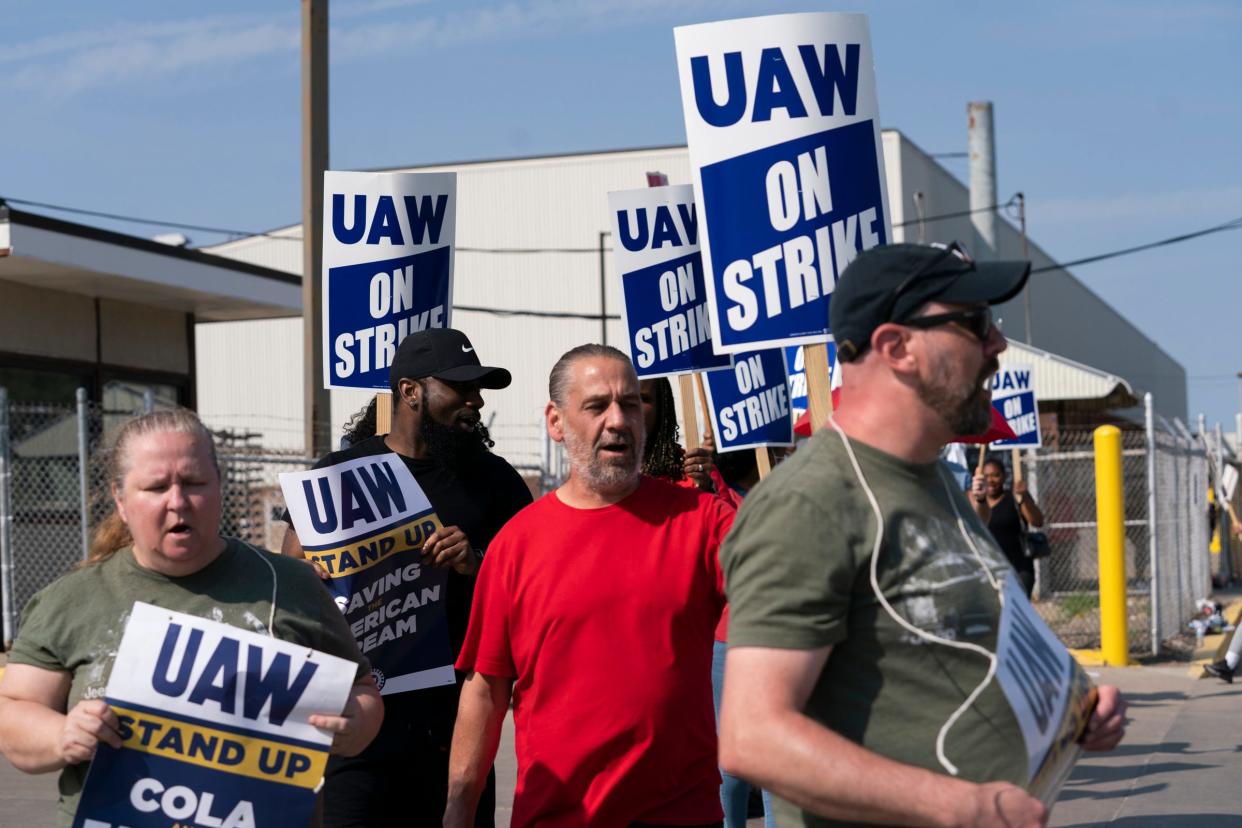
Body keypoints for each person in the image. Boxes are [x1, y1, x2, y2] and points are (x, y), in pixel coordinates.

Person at [717, 243, 1127, 828]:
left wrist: (1070, 711)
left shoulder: (932, 475)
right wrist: (960, 806)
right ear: (897, 348)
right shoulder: (810, 504)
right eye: (976, 323)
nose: (999, 346)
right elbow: (752, 737)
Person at [0, 409, 382, 828]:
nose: (178, 501)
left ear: (219, 486)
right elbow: (15, 710)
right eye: (156, 486)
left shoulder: (291, 585)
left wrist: (355, 724)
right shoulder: (71, 600)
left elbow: (364, 690)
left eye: (194, 482)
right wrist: (63, 735)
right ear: (121, 500)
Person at [444, 344, 732, 827]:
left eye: (632, 403)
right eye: (597, 406)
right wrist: (458, 810)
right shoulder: (515, 545)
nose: (618, 419)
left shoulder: (703, 521)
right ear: (556, 422)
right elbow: (485, 690)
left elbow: (787, 601)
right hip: (556, 815)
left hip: (681, 813)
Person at [281, 327, 533, 827]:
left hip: (457, 725)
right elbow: (292, 584)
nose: (475, 402)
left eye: (478, 390)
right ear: (410, 392)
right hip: (359, 723)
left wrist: (475, 560)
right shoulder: (340, 474)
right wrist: (308, 576)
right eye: (460, 388)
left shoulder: (496, 481)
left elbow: (531, 585)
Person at [640, 376, 719, 494]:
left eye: (642, 398)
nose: (631, 407)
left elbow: (727, 510)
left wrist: (705, 487)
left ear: (661, 407)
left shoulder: (694, 467)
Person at [982, 457, 1046, 598]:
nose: (991, 480)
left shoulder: (1015, 499)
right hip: (989, 570)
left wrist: (1024, 497)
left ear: (1004, 477)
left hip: (1019, 568)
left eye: (996, 475)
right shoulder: (977, 503)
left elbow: (1037, 521)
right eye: (986, 476)